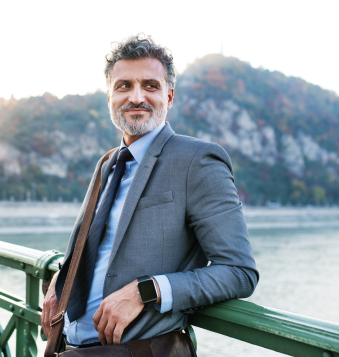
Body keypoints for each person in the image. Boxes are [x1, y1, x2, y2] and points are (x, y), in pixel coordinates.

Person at [41, 34, 259, 349]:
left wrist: (148, 290)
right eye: (124, 86)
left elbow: (239, 272)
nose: (137, 97)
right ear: (109, 97)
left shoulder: (197, 161)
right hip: (69, 345)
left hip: (136, 351)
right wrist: (57, 285)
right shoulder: (107, 165)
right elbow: (86, 246)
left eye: (150, 86)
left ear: (169, 97)